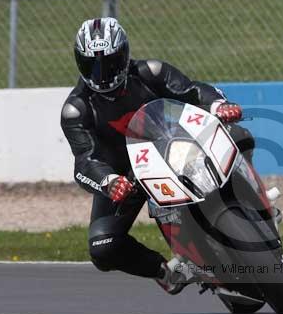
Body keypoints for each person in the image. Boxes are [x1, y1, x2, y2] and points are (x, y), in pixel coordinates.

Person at [61, 17, 250, 295]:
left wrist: (218, 105)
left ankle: (252, 199)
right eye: (93, 66)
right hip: (124, 179)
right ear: (79, 62)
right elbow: (84, 161)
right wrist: (109, 182)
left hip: (174, 145)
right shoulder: (76, 110)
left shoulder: (151, 71)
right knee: (102, 247)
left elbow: (193, 90)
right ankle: (168, 273)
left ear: (124, 55)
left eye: (109, 63)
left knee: (238, 133)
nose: (102, 74)